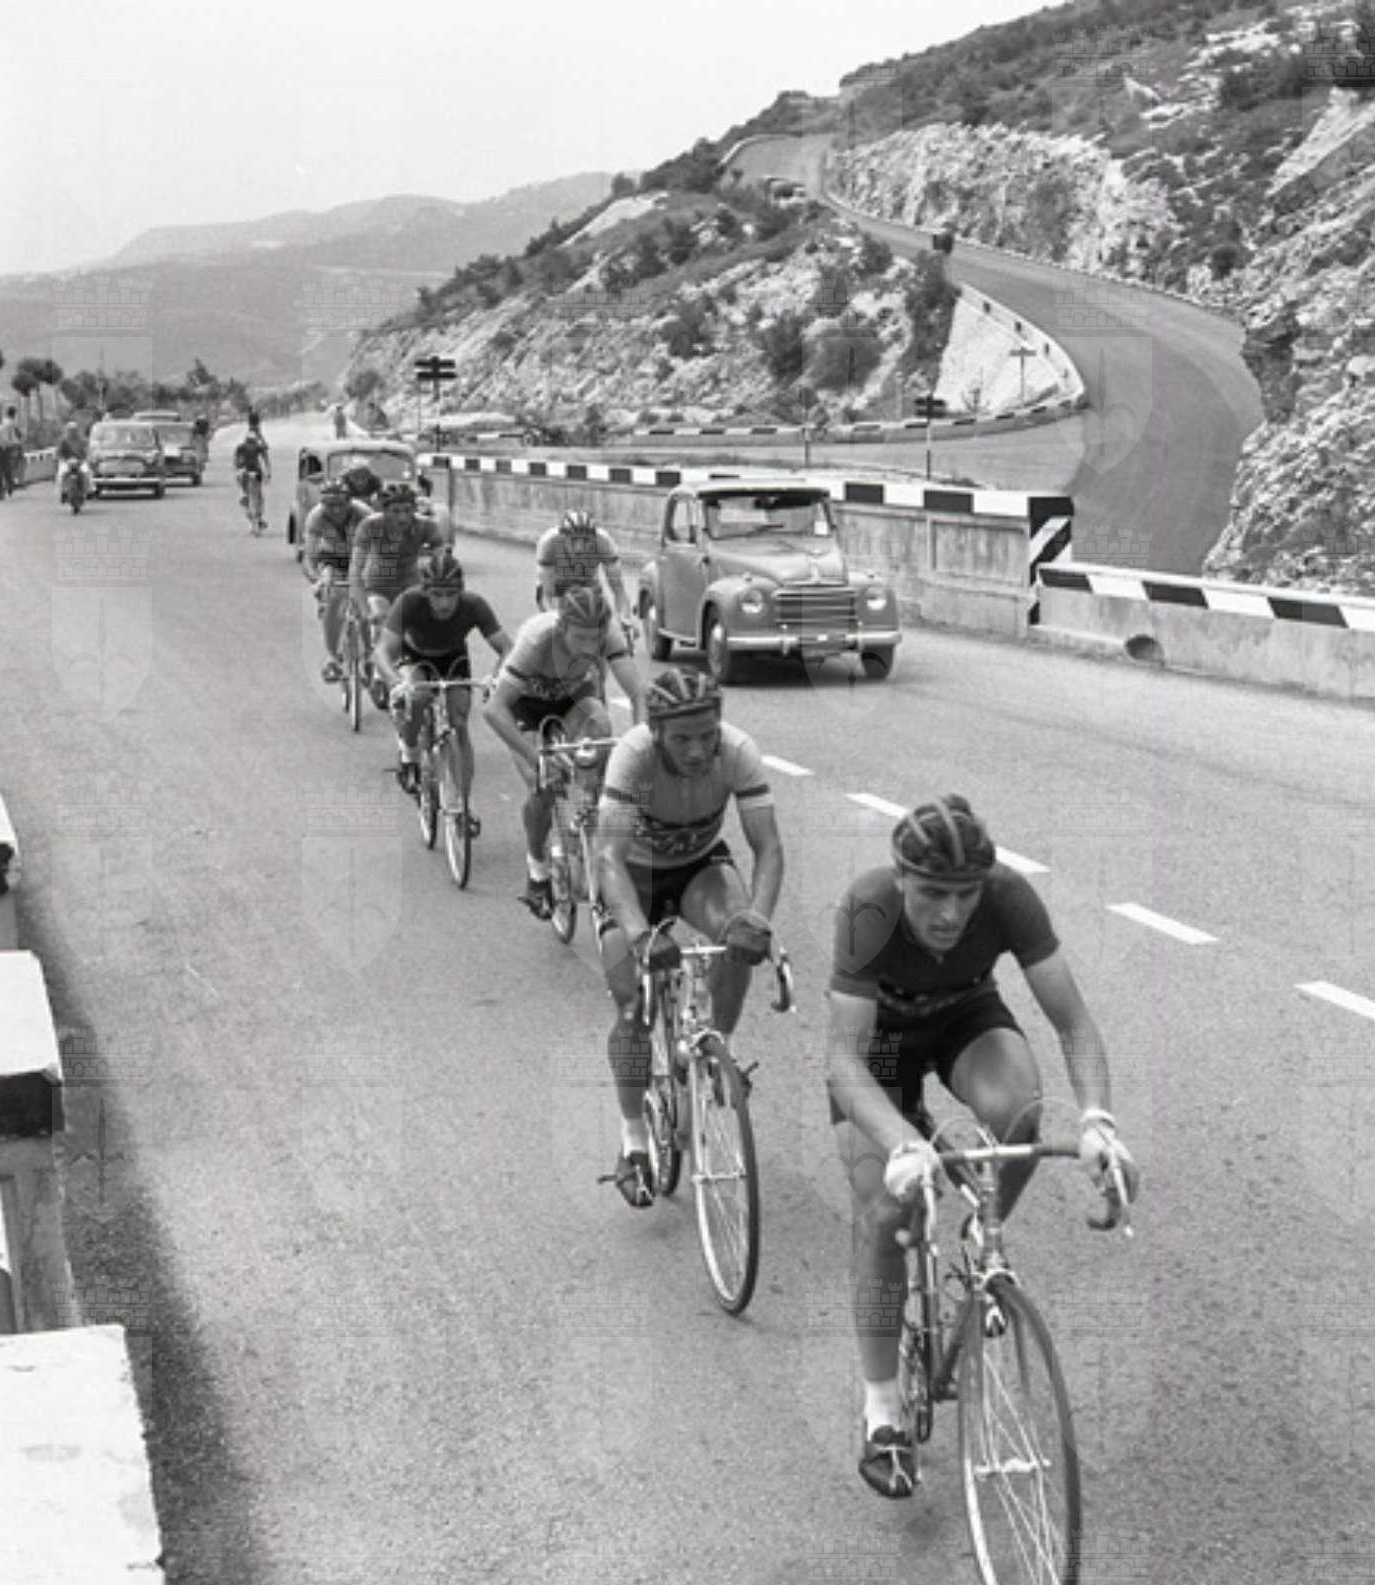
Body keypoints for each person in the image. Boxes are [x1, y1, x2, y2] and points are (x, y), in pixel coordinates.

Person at [825, 795, 1140, 1499]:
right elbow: (843, 1060)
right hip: (878, 1049)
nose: (951, 913)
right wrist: (902, 1142)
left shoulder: (1009, 897)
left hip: (962, 1016)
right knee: (886, 1212)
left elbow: (1074, 1023)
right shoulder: (869, 907)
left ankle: (980, 1239)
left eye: (965, 895)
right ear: (901, 879)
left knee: (1021, 1113)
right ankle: (882, 1412)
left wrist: (1098, 1122)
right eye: (932, 893)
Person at [591, 669, 782, 1207]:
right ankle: (633, 1140)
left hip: (699, 867)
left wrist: (758, 922)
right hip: (634, 876)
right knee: (631, 1006)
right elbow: (609, 858)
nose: (698, 750)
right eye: (681, 739)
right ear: (655, 733)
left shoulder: (737, 752)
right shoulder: (633, 759)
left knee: (737, 934)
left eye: (707, 735)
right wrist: (638, 934)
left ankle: (715, 1048)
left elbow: (768, 848)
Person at [480, 584, 645, 917]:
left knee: (600, 724)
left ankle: (591, 810)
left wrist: (640, 743)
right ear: (561, 627)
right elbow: (494, 709)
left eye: (594, 639)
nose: (588, 647)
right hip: (524, 706)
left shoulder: (609, 633)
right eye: (579, 638)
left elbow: (638, 694)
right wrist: (535, 758)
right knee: (543, 784)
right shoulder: (537, 639)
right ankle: (537, 868)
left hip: (573, 700)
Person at [376, 549, 512, 814]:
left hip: (452, 658)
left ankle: (464, 807)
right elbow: (382, 650)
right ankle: (409, 751)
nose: (444, 603)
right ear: (425, 591)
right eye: (437, 594)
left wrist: (495, 677)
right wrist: (394, 683)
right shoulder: (409, 602)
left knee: (459, 720)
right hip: (414, 656)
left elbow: (507, 648)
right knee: (418, 696)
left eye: (451, 594)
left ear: (461, 591)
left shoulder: (474, 605)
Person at [346, 479, 450, 701]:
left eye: (407, 510)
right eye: (395, 511)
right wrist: (365, 610)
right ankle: (379, 675)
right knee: (381, 617)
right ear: (383, 510)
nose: (402, 517)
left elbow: (444, 565)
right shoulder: (369, 526)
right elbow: (355, 570)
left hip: (409, 585)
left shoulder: (426, 526)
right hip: (376, 585)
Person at [299, 477, 372, 682]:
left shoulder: (364, 514)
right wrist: (317, 580)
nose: (336, 510)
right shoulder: (316, 517)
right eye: (330, 505)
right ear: (322, 504)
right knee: (333, 596)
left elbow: (379, 549)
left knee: (368, 603)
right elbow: (310, 557)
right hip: (332, 559)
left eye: (340, 504)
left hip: (362, 557)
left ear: (350, 501)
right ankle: (333, 657)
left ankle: (369, 653)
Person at [534, 508, 632, 631]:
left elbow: (618, 590)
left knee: (599, 622)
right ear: (563, 537)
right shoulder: (548, 543)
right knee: (554, 626)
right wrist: (554, 622)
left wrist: (624, 619)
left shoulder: (603, 542)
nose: (579, 548)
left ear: (593, 538)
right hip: (558, 585)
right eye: (574, 540)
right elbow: (546, 594)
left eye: (585, 540)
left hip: (588, 584)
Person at [233, 426, 271, 523]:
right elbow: (266, 459)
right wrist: (268, 472)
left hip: (245, 471)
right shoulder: (258, 447)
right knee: (259, 495)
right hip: (256, 471)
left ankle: (244, 496)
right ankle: (259, 515)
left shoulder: (241, 447)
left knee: (241, 483)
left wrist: (237, 466)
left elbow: (236, 460)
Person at [55, 421, 93, 504]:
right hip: (66, 461)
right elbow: (59, 452)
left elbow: (87, 451)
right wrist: (62, 458)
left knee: (87, 472)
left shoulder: (82, 441)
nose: (72, 432)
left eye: (74, 430)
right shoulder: (63, 441)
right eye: (70, 430)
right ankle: (63, 492)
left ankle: (89, 490)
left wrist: (86, 458)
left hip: (80, 461)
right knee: (61, 474)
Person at [0, 406, 18, 500]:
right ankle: (0, 492)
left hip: (6, 449)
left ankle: (10, 485)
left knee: (7, 470)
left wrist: (15, 445)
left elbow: (12, 436)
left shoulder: (7, 424)